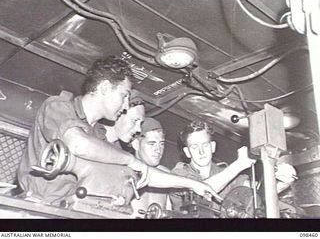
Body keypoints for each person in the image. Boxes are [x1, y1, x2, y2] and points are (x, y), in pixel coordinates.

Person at [17, 56, 148, 205]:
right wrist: (131, 160)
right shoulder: (58, 106)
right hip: (35, 206)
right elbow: (78, 144)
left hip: (66, 209)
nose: (125, 106)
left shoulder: (99, 135)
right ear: (104, 87)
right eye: (124, 96)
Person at [170, 120, 256, 211]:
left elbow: (250, 186)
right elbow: (202, 191)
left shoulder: (223, 172)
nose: (201, 152)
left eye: (205, 145)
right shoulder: (179, 173)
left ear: (213, 146)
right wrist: (239, 164)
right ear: (187, 152)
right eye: (194, 147)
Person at [129, 118, 172, 217]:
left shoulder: (167, 175)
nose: (158, 150)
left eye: (161, 144)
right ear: (136, 144)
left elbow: (169, 211)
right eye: (151, 144)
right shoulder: (123, 171)